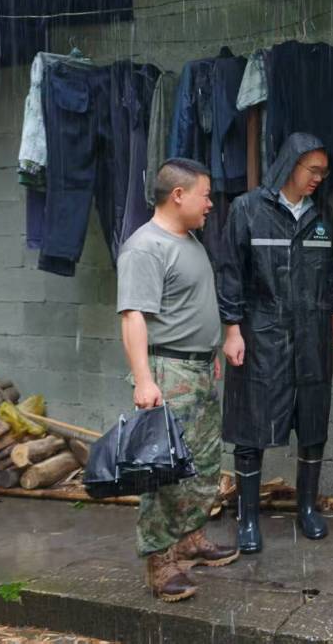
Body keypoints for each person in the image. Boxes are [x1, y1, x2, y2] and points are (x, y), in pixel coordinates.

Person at [218, 131, 333, 553]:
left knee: (312, 419)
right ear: (290, 164)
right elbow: (230, 272)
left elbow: (329, 272)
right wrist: (232, 328)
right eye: (313, 170)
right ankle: (248, 519)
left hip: (311, 334)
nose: (317, 178)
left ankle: (307, 508)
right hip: (262, 333)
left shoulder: (320, 213)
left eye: (323, 173)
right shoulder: (247, 210)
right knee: (252, 425)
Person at [117, 157, 239, 603]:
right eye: (205, 195)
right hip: (167, 372)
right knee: (164, 472)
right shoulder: (145, 247)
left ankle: (191, 538)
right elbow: (133, 317)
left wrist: (210, 350)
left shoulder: (189, 240)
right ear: (179, 195)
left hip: (199, 369)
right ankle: (160, 563)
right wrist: (145, 380)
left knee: (203, 464)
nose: (210, 203)